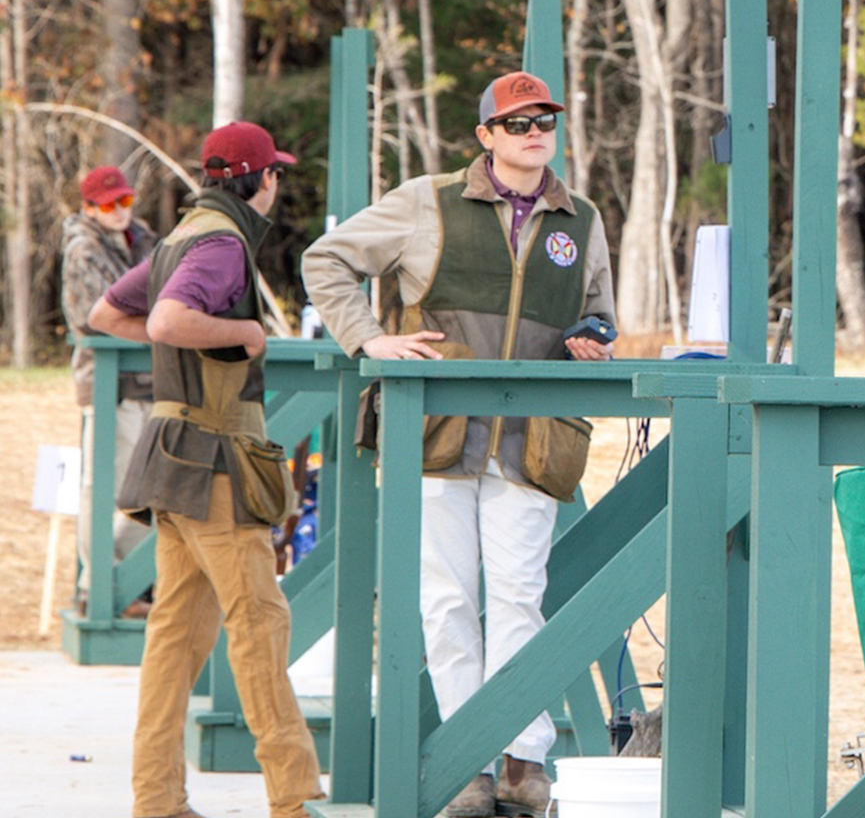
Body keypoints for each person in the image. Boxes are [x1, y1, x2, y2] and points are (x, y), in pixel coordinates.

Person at [302, 70, 617, 818]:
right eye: (516, 122)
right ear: (485, 136)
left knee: (518, 599)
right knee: (446, 601)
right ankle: (472, 764)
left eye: (544, 120)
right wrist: (370, 338)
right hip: (434, 433)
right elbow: (326, 260)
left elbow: (600, 310)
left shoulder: (583, 217)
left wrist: (594, 339)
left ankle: (521, 760)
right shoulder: (425, 201)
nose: (534, 131)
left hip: (532, 438)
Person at [89, 122, 322, 818]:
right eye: (274, 172)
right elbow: (165, 322)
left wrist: (199, 343)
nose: (277, 183)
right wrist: (243, 336)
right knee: (258, 627)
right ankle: (296, 800)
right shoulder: (222, 243)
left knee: (174, 642)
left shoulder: (180, 237)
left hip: (174, 461)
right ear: (261, 179)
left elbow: (108, 314)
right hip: (216, 461)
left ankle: (158, 801)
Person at [61, 164, 157, 611]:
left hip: (148, 380)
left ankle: (132, 582)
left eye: (125, 200)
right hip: (108, 383)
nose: (119, 211)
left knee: (146, 487)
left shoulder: (144, 238)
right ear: (88, 207)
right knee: (103, 488)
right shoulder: (83, 250)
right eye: (107, 204)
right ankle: (98, 588)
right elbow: (97, 315)